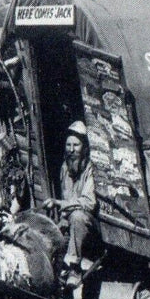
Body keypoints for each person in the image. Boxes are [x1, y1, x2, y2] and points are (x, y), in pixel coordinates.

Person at [42, 121, 98, 288]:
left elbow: (89, 203)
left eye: (76, 145)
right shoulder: (65, 168)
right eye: (68, 145)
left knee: (78, 216)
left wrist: (59, 203)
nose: (71, 150)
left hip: (91, 225)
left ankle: (74, 267)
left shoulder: (91, 169)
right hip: (71, 224)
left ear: (84, 147)